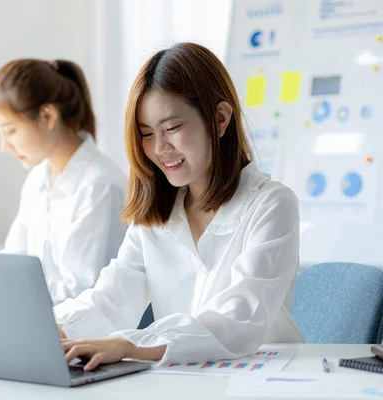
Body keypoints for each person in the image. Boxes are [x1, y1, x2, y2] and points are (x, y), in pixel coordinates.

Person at [54, 43, 304, 371]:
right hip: (184, 380)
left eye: (172, 128)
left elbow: (240, 317)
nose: (160, 148)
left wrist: (130, 344)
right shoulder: (154, 216)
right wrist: (48, 331)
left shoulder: (271, 204)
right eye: (146, 133)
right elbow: (111, 299)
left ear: (220, 118)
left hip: (266, 377)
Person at [0, 59, 127, 305]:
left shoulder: (99, 184)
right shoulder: (39, 178)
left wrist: (4, 293)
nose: (4, 147)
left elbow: (80, 290)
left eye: (10, 131)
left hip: (81, 330)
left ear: (47, 116)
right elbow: (14, 259)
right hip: (39, 317)